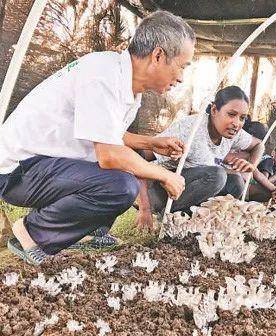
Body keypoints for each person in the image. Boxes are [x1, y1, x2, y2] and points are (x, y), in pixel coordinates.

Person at [0, 10, 196, 265]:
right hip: (17, 172)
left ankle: (91, 231)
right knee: (122, 184)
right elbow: (109, 154)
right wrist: (164, 174)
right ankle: (33, 232)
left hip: (40, 165)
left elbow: (106, 134)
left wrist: (150, 142)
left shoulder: (121, 80)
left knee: (122, 173)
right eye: (182, 66)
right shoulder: (103, 76)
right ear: (158, 55)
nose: (181, 77)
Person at [135, 86, 264, 229]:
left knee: (236, 182)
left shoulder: (234, 134)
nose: (237, 123)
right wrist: (145, 208)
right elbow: (140, 157)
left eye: (242, 118)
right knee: (217, 175)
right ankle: (168, 216)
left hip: (191, 188)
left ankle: (197, 222)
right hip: (159, 189)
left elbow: (259, 145)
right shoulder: (189, 129)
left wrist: (250, 166)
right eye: (231, 114)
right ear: (214, 110)